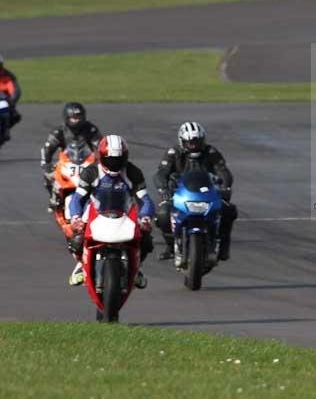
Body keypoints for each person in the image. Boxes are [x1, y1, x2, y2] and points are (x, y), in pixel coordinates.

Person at [66, 135, 154, 288]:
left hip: (125, 213)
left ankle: (137, 267)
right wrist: (75, 218)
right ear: (101, 157)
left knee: (146, 239)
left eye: (118, 159)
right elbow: (77, 198)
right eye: (110, 159)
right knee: (76, 239)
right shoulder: (91, 172)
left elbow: (145, 199)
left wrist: (145, 218)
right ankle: (80, 264)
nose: (114, 163)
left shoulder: (133, 172)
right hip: (95, 212)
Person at [153, 122, 237, 262]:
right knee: (162, 214)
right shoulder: (173, 153)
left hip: (207, 193)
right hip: (180, 194)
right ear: (182, 141)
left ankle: (223, 246)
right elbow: (161, 173)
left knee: (229, 210)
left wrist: (226, 187)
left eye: (197, 141)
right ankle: (170, 246)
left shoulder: (211, 152)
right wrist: (163, 189)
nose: (194, 145)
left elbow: (223, 171)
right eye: (190, 142)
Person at [40, 102, 103, 212]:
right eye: (73, 118)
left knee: (101, 180)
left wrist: (101, 161)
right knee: (49, 175)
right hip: (66, 162)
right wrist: (45, 163)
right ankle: (53, 197)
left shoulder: (91, 129)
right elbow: (47, 148)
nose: (76, 120)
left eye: (78, 117)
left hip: (86, 162)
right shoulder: (58, 131)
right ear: (67, 117)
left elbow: (100, 146)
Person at [0, 55, 22, 140]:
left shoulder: (8, 76)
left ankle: (5, 130)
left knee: (15, 116)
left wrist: (11, 101)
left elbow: (16, 91)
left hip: (4, 102)